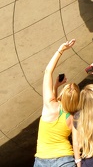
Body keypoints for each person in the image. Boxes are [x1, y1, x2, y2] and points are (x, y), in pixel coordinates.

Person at [34, 39, 80, 167]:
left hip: (42, 159)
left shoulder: (50, 105)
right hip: (65, 160)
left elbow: (48, 71)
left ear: (63, 95)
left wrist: (61, 50)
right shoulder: (74, 117)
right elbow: (76, 142)